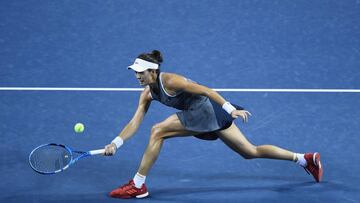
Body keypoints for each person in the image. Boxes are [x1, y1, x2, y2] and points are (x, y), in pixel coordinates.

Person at [104, 50, 323, 199]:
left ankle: (138, 185)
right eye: (135, 72)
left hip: (206, 110)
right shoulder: (146, 94)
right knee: (250, 151)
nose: (137, 76)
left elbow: (207, 90)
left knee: (157, 131)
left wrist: (231, 109)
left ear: (153, 71)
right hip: (209, 113)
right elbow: (134, 122)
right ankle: (304, 159)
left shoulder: (169, 81)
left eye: (141, 73)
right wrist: (116, 143)